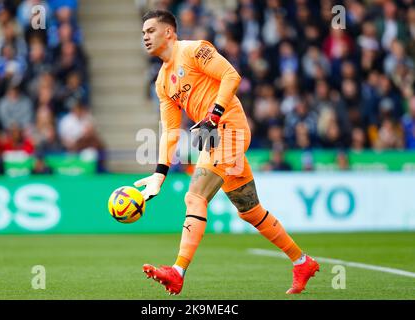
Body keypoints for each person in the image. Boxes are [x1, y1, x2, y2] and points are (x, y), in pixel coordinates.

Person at [135, 10, 319, 296]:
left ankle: (178, 271)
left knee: (194, 196)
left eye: (150, 30)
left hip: (230, 128)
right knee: (249, 211)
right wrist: (159, 174)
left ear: (168, 32)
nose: (145, 36)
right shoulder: (162, 82)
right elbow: (170, 131)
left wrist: (214, 115)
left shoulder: (195, 50)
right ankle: (302, 261)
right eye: (143, 32)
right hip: (216, 138)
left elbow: (231, 76)